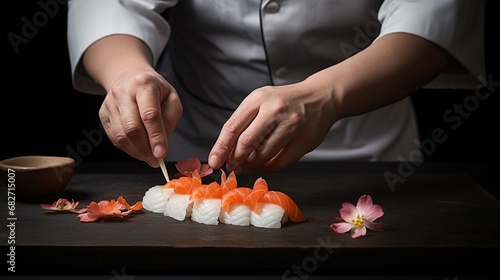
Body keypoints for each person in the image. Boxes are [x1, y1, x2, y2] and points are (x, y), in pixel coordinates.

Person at [67, 0, 486, 172]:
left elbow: (438, 13)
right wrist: (125, 72)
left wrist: (329, 94)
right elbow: (110, 5)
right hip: (197, 143)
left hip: (367, 152)